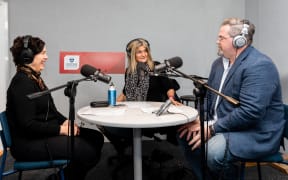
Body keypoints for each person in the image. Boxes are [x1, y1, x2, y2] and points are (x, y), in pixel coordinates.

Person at [177, 18, 285, 180]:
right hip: (227, 127)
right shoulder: (218, 65)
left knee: (214, 150)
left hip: (256, 134)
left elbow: (250, 112)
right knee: (185, 133)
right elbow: (210, 100)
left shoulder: (259, 65)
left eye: (221, 38)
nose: (217, 41)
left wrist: (212, 129)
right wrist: (199, 119)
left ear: (238, 41)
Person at [7, 35, 104, 180]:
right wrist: (61, 130)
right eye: (43, 53)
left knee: (95, 138)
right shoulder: (21, 84)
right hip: (27, 144)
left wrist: (65, 122)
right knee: (86, 151)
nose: (46, 57)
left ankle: (65, 176)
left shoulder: (35, 79)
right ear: (27, 56)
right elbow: (27, 125)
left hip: (40, 135)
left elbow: (50, 110)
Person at [100, 38, 182, 154]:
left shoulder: (156, 67)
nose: (144, 54)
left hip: (153, 113)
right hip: (136, 109)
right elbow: (125, 92)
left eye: (145, 51)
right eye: (139, 52)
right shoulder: (129, 71)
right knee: (106, 123)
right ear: (132, 54)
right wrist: (112, 104)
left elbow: (169, 87)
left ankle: (127, 145)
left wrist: (171, 98)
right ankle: (124, 145)